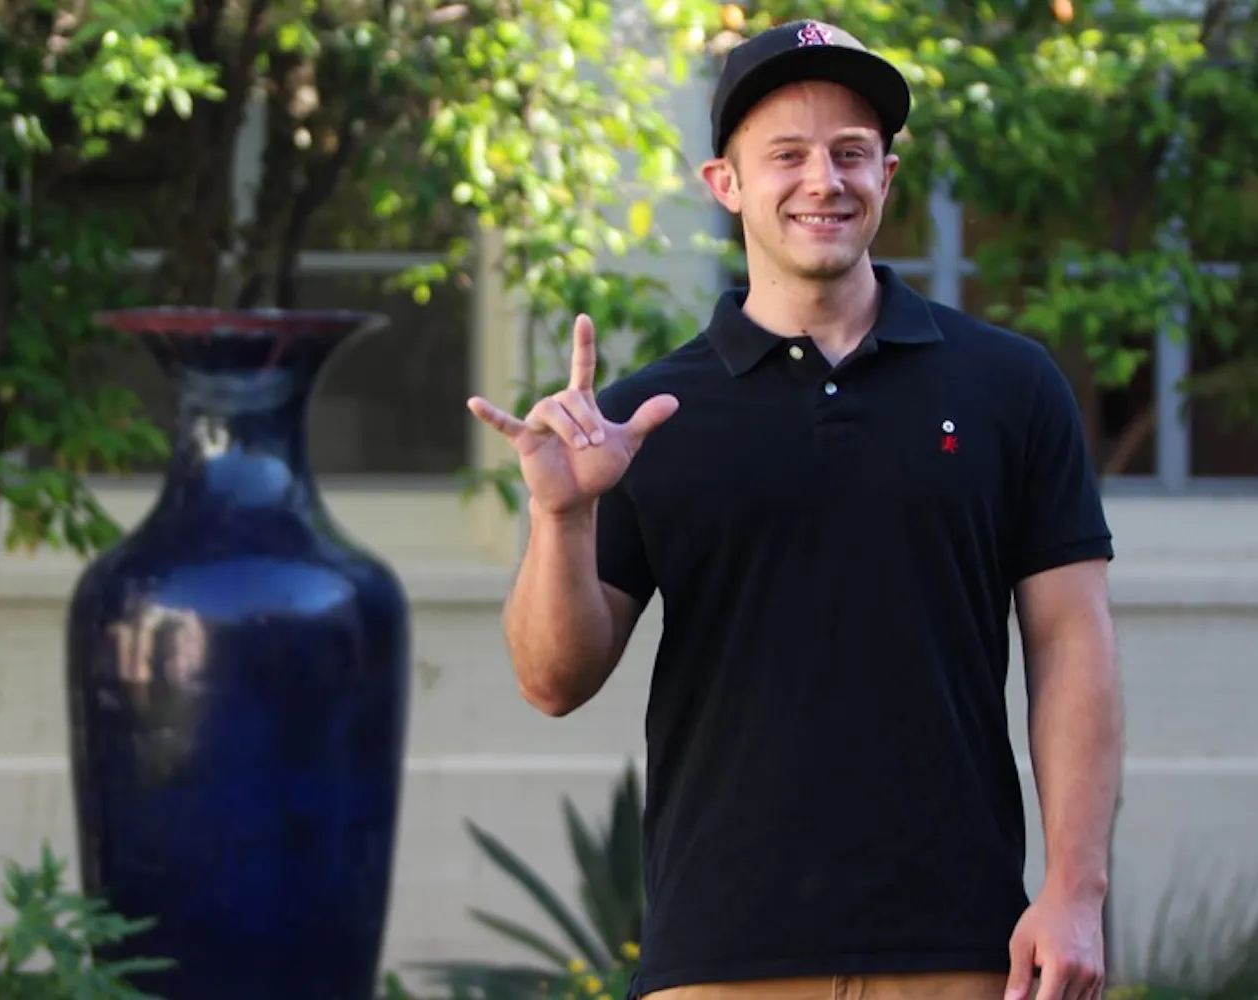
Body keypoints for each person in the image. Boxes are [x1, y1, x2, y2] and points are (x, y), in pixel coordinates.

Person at [465, 17, 1124, 1000]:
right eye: (788, 155)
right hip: (721, 956)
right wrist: (561, 519)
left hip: (957, 947)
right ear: (725, 184)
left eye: (851, 153)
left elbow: (1072, 640)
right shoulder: (646, 418)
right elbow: (552, 680)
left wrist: (1075, 889)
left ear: (887, 178)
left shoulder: (1009, 387)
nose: (825, 180)